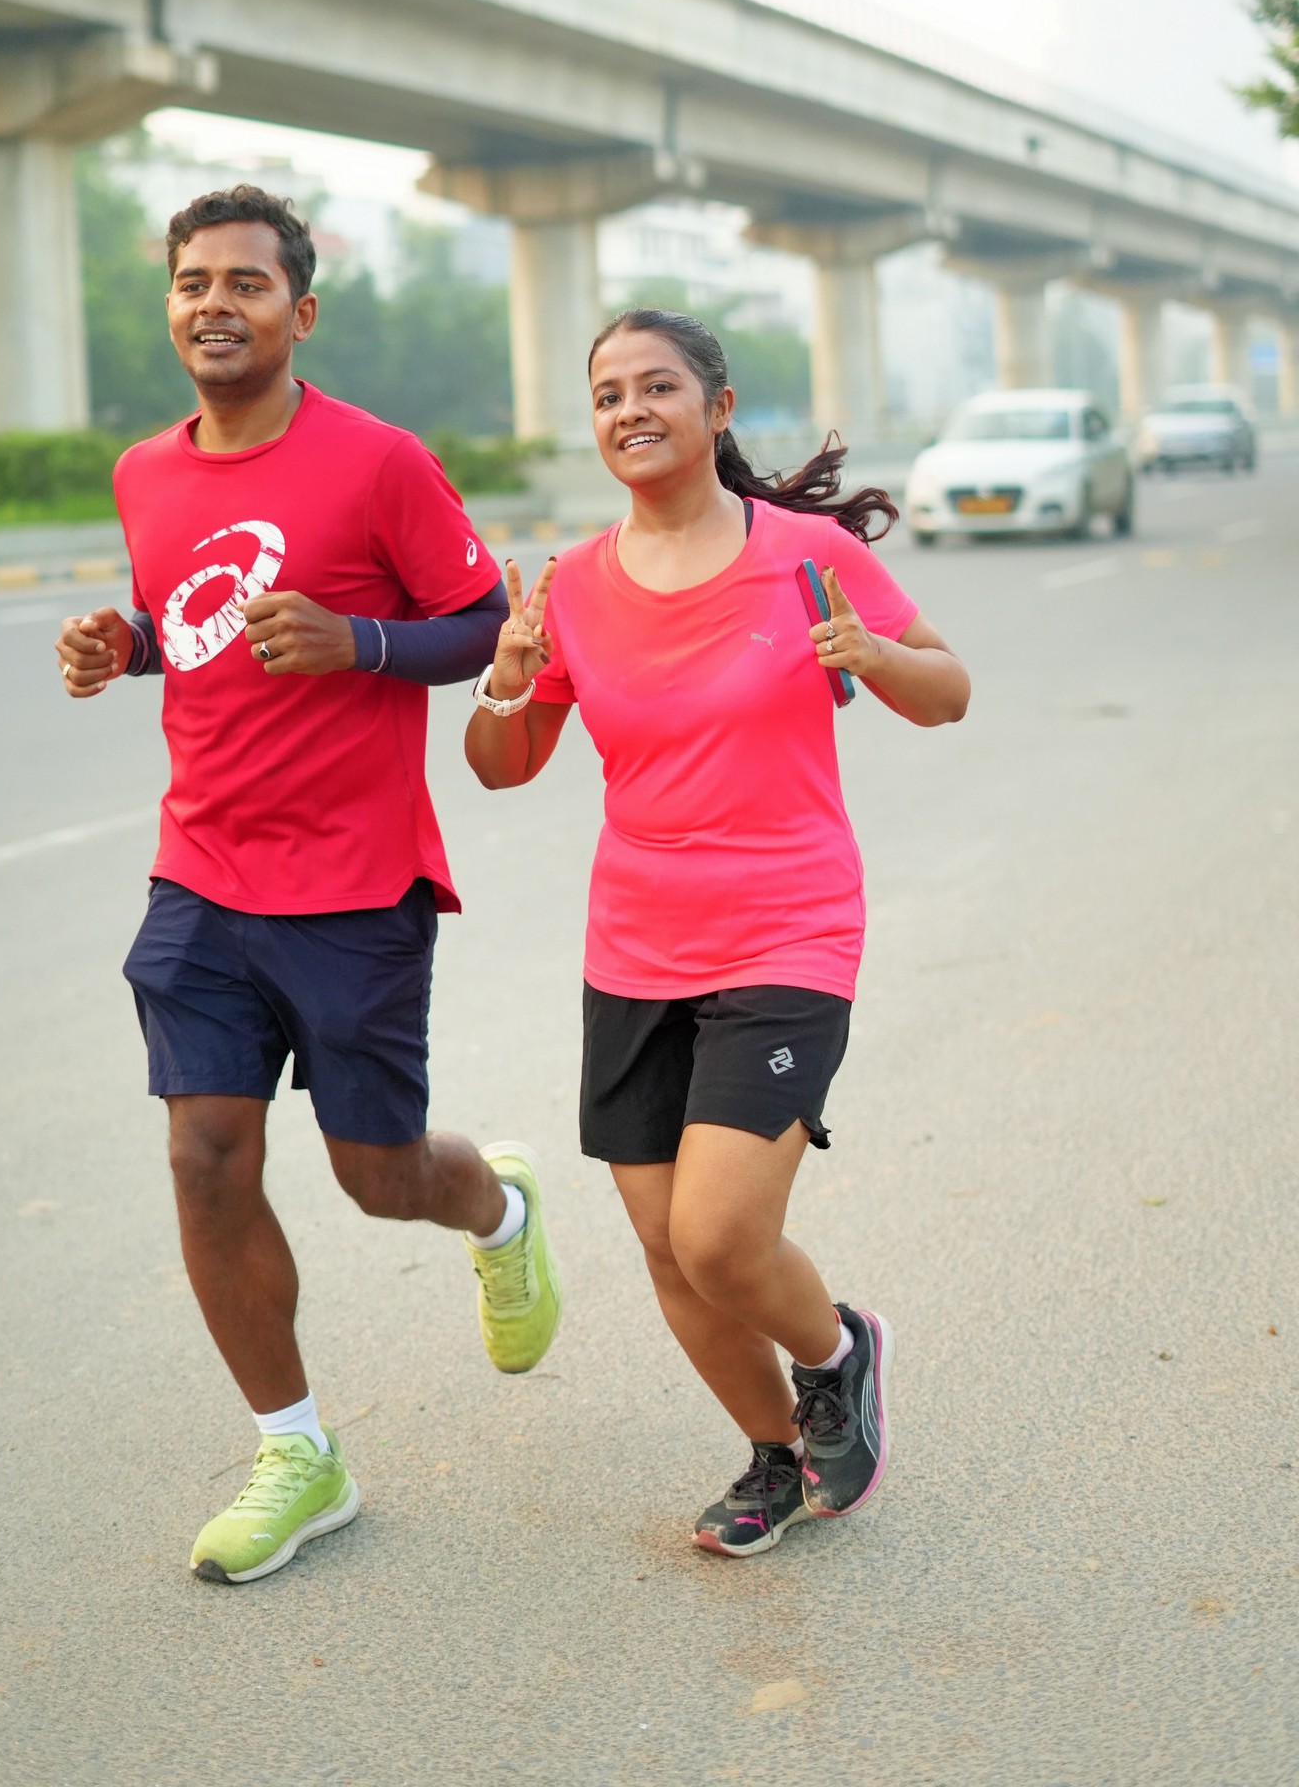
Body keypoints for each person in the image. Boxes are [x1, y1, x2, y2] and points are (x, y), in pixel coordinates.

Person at [54, 185, 560, 1585]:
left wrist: (361, 644)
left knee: (380, 1177)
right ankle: (299, 1452)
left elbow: (481, 623)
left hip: (354, 883)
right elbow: (198, 621)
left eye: (247, 283)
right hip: (200, 871)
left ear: (302, 311)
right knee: (204, 1156)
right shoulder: (144, 473)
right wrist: (125, 645)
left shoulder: (379, 461)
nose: (215, 304)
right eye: (192, 283)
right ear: (170, 306)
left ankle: (499, 1210)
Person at [464, 308, 969, 1558]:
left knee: (717, 1233)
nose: (630, 410)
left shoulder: (803, 556)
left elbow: (948, 691)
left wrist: (871, 654)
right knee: (664, 1246)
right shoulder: (576, 585)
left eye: (658, 387)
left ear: (718, 407)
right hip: (635, 948)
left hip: (788, 933)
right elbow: (501, 767)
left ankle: (838, 1352)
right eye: (608, 395)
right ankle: (774, 1456)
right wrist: (509, 677)